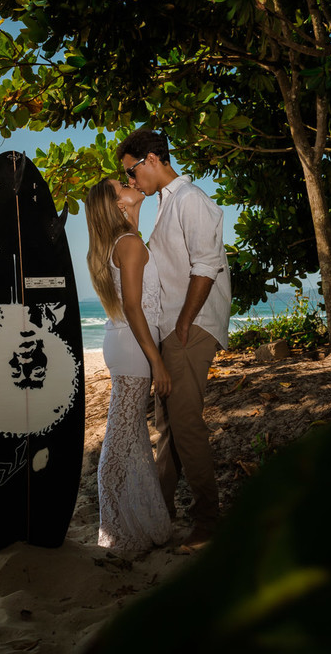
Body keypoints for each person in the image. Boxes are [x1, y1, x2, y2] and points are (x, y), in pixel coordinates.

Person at [117, 130, 230, 550]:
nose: (130, 180)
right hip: (174, 328)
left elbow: (207, 265)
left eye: (131, 171)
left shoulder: (190, 200)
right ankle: (161, 514)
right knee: (168, 427)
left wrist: (183, 322)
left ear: (150, 159)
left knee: (184, 423)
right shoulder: (166, 203)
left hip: (191, 327)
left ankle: (208, 523)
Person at [84, 178, 172, 551]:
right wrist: (158, 362)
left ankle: (137, 523)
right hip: (135, 347)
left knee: (132, 435)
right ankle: (115, 530)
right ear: (117, 203)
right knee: (121, 437)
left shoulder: (120, 242)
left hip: (122, 342)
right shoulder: (130, 244)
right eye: (122, 184)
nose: (130, 182)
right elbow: (135, 307)